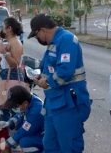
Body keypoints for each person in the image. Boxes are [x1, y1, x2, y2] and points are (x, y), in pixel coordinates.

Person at [28, 14, 92, 152]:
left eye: (36, 35)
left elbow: (65, 71)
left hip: (68, 103)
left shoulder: (66, 39)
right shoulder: (54, 43)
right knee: (50, 144)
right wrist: (40, 77)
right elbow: (48, 67)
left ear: (42, 30)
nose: (37, 39)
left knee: (68, 145)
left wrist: (48, 83)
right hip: (54, 103)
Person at [0, 85, 44, 153]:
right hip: (36, 132)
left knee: (24, 142)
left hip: (44, 139)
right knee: (15, 132)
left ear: (25, 103)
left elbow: (23, 132)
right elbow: (21, 115)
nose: (15, 108)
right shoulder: (30, 99)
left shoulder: (36, 112)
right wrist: (8, 123)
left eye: (16, 106)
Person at [0, 17, 24, 121]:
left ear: (9, 28)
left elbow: (15, 64)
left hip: (13, 76)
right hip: (4, 75)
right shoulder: (5, 42)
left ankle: (14, 131)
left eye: (3, 27)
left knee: (12, 107)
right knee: (3, 105)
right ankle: (4, 131)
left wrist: (5, 53)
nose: (1, 30)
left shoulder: (16, 42)